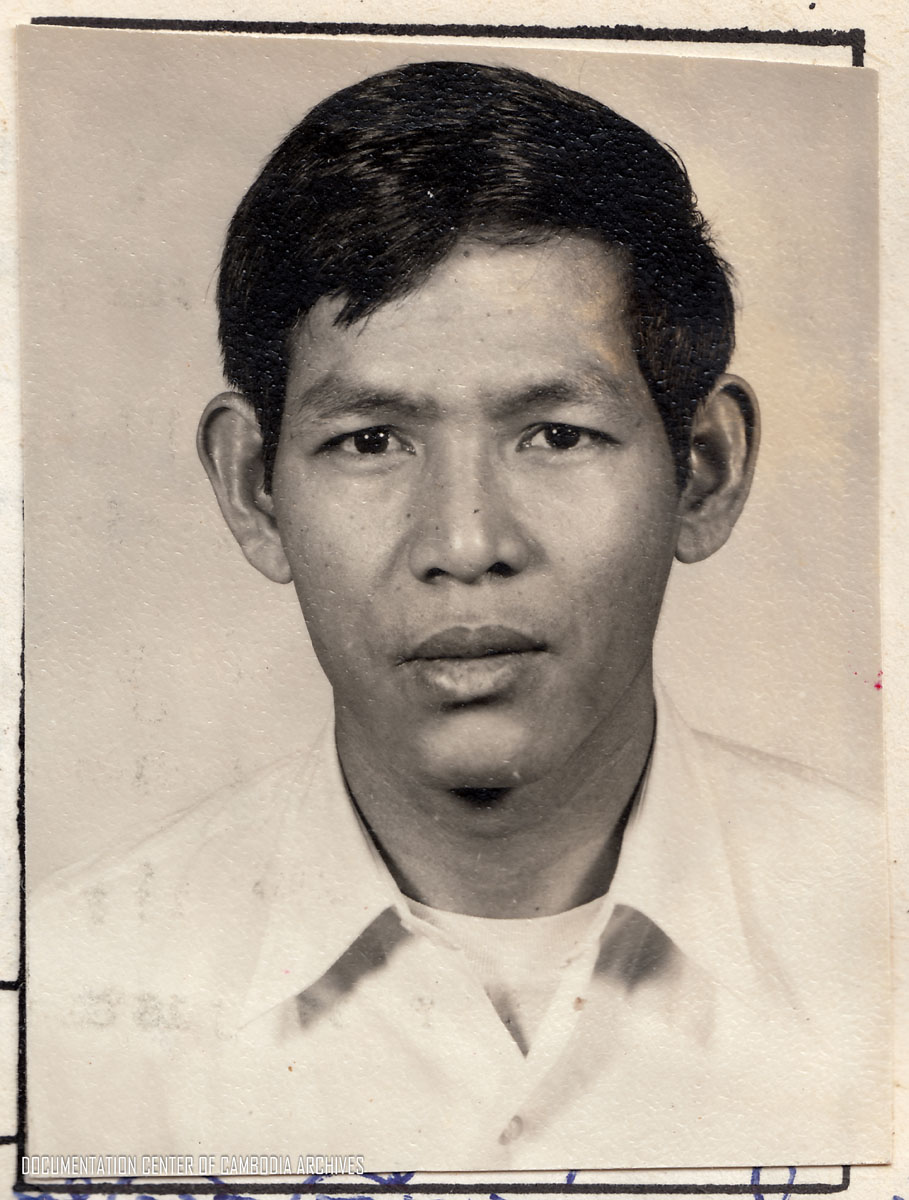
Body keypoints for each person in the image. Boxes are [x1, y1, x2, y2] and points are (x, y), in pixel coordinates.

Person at [27, 60, 886, 1173]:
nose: (467, 542)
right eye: (370, 440)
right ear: (252, 490)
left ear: (705, 470)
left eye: (558, 435)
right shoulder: (59, 1005)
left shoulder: (886, 926)